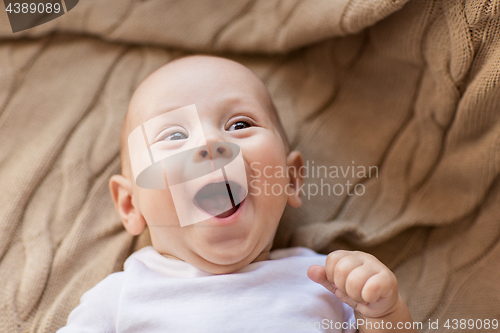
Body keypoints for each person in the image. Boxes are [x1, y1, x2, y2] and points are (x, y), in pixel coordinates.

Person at [58, 55, 416, 333]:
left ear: (290, 178)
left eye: (239, 125)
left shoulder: (327, 282)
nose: (211, 144)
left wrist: (383, 313)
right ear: (130, 203)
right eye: (174, 136)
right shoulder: (120, 297)